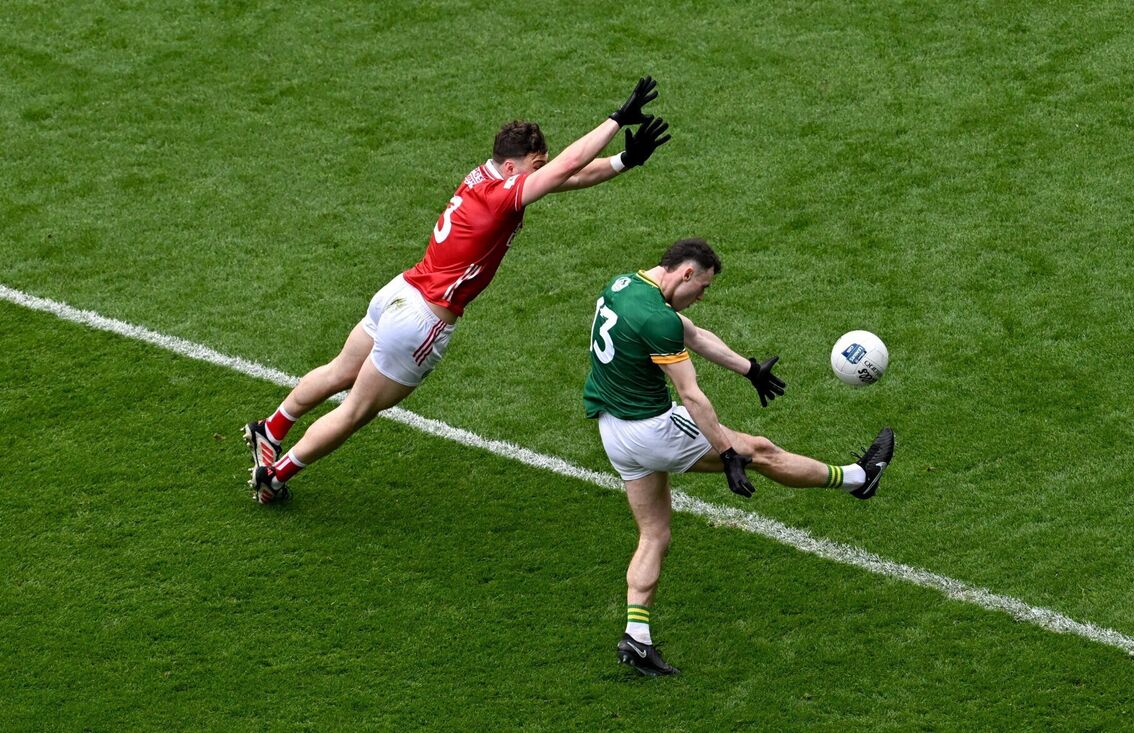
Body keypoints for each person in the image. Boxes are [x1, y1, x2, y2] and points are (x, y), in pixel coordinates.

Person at [244, 77, 672, 504]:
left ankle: (271, 429)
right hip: (423, 319)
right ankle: (274, 477)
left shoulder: (484, 177)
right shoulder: (503, 197)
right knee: (355, 410)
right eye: (536, 165)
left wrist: (623, 161)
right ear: (512, 168)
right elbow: (566, 167)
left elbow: (567, 177)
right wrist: (616, 119)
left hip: (401, 290)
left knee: (340, 369)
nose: (541, 173)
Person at [582, 238, 895, 676]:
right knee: (760, 451)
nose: (702, 296)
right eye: (703, 287)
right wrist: (729, 453)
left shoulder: (624, 286)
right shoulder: (658, 318)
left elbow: (692, 333)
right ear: (686, 273)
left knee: (654, 534)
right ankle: (860, 479)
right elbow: (692, 396)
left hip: (613, 432)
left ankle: (637, 638)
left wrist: (748, 369)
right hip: (652, 430)